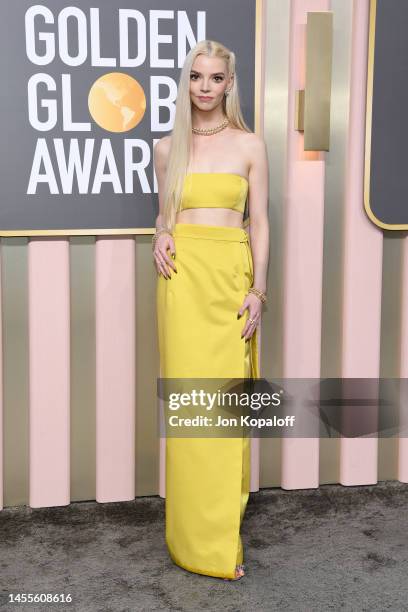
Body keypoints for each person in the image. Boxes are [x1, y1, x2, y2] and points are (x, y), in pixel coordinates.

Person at [153, 39, 269, 581]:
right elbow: (165, 217)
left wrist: (258, 290)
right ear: (187, 81)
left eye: (215, 78)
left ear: (229, 83)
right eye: (196, 77)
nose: (205, 87)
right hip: (182, 281)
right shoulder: (164, 147)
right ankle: (190, 540)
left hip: (230, 279)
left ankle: (222, 537)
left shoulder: (250, 145)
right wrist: (159, 235)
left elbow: (261, 223)